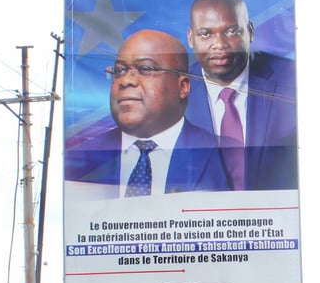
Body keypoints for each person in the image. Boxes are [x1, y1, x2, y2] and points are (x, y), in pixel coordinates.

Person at [64, 29, 230, 197]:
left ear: (183, 86)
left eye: (144, 68)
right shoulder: (81, 157)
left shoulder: (227, 154)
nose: (126, 81)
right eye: (119, 70)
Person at [186, 0, 299, 191]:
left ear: (251, 32)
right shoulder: (172, 90)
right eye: (206, 34)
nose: (220, 44)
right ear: (191, 38)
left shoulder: (292, 79)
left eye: (232, 31)